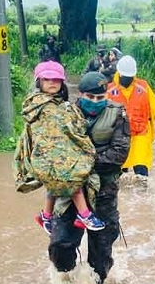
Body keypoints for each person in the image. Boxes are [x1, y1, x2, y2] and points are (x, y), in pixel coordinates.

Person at [48, 71, 131, 284]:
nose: (95, 101)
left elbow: (119, 154)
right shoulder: (66, 115)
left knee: (102, 249)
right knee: (60, 244)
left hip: (104, 193)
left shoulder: (117, 115)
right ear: (80, 95)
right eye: (89, 96)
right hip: (68, 192)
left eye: (99, 96)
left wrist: (80, 165)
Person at [13, 61, 106, 233]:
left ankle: (46, 216)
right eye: (47, 79)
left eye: (56, 79)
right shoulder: (48, 107)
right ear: (39, 81)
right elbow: (67, 131)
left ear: (62, 82)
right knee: (74, 181)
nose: (52, 82)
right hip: (49, 156)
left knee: (53, 187)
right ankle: (85, 214)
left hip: (44, 158)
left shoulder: (39, 103)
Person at [107, 55, 155, 186]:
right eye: (125, 77)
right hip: (119, 137)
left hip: (141, 134)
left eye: (130, 77)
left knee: (141, 171)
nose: (128, 79)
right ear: (119, 73)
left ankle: (142, 198)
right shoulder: (110, 90)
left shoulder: (143, 87)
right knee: (118, 173)